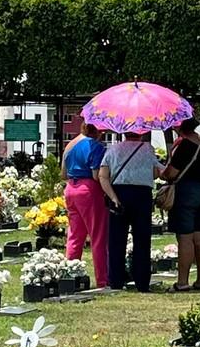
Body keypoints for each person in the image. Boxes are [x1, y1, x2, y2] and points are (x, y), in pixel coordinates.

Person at [99, 131, 162, 292]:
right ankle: (142, 281)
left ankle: (116, 280)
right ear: (141, 133)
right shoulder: (148, 149)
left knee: (116, 240)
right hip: (142, 195)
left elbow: (103, 176)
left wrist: (113, 197)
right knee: (142, 240)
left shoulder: (112, 149)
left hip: (119, 193)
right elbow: (156, 173)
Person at [161, 118, 200, 292]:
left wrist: (163, 173)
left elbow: (172, 172)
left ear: (179, 126)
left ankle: (182, 282)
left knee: (185, 237)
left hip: (185, 192)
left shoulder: (183, 145)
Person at [61, 123, 108, 288]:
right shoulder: (96, 147)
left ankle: (70, 275)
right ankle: (103, 279)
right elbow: (97, 175)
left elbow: (63, 174)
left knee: (75, 236)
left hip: (71, 189)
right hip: (88, 190)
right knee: (98, 236)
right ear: (97, 131)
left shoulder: (72, 146)